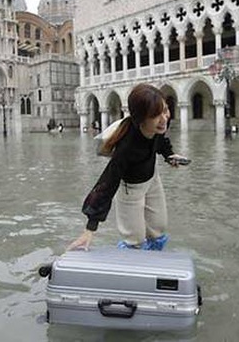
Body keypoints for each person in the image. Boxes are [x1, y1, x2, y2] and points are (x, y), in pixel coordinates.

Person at [68, 83, 188, 252]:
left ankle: (153, 262)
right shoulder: (127, 148)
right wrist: (90, 229)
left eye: (165, 110)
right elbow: (107, 184)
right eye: (156, 115)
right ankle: (132, 266)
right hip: (130, 190)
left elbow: (160, 141)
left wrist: (169, 156)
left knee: (159, 228)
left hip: (152, 179)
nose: (164, 118)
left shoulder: (157, 127)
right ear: (141, 119)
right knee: (135, 239)